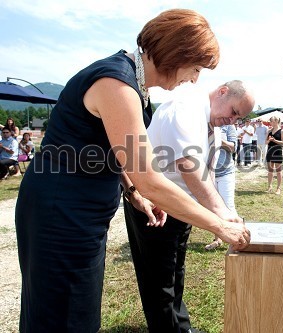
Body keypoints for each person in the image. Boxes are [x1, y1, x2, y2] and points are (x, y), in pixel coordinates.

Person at [15, 9, 251, 332]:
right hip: (61, 213)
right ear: (175, 54)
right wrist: (219, 225)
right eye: (195, 68)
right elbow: (151, 178)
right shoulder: (117, 84)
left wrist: (132, 191)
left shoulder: (133, 85)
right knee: (62, 316)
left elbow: (117, 151)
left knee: (78, 313)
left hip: (81, 213)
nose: (195, 78)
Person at [125, 80, 254, 332]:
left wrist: (218, 212)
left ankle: (180, 326)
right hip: (154, 205)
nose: (233, 121)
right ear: (222, 92)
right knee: (160, 280)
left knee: (176, 271)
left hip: (181, 207)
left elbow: (206, 172)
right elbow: (190, 167)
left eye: (239, 119)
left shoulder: (211, 120)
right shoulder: (185, 108)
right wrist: (222, 217)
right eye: (234, 112)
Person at [205, 123, 240, 250]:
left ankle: (238, 237)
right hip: (210, 173)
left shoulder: (228, 127)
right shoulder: (206, 124)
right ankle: (217, 239)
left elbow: (233, 147)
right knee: (215, 208)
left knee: (229, 206)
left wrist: (219, 140)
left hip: (226, 172)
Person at [266, 116, 283, 194]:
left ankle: (278, 188)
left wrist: (274, 140)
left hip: (277, 151)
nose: (271, 123)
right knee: (270, 171)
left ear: (277, 121)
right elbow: (266, 142)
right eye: (271, 121)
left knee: (278, 171)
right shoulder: (269, 131)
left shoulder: (281, 131)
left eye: (273, 121)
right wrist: (269, 140)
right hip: (270, 151)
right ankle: (270, 186)